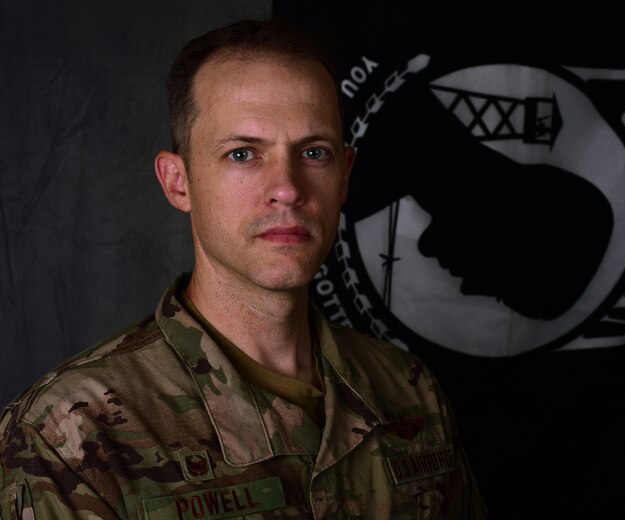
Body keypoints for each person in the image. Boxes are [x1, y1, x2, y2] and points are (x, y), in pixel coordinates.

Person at [0, 18, 486, 519]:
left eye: (313, 152)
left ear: (345, 176)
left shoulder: (409, 390)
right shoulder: (70, 435)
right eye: (242, 154)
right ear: (178, 182)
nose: (288, 188)